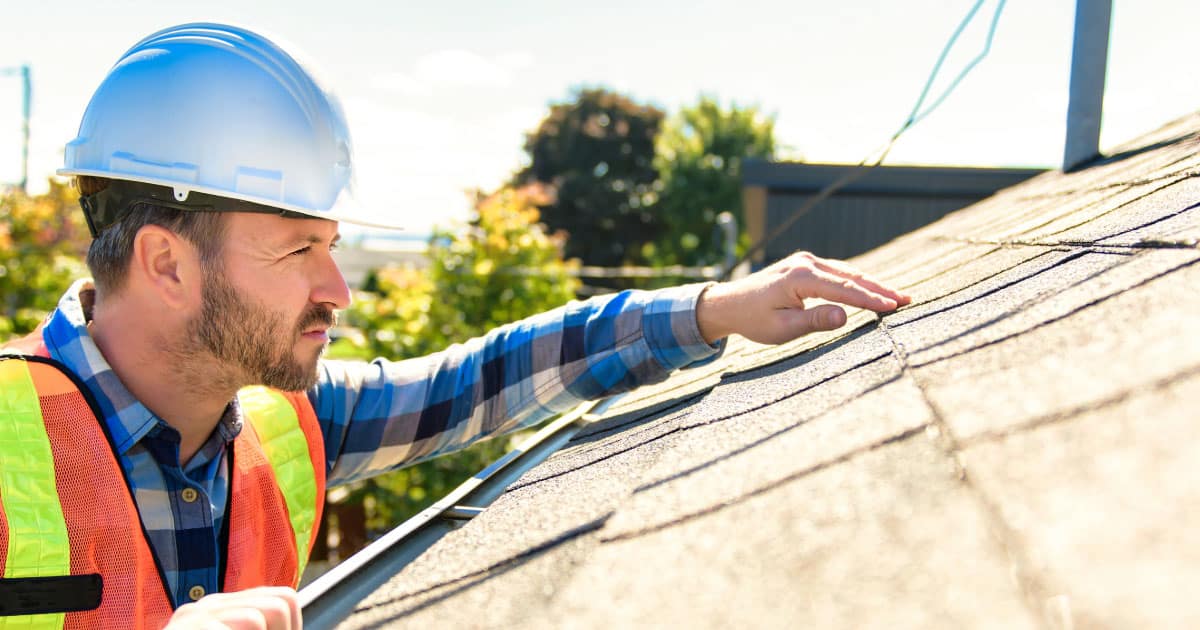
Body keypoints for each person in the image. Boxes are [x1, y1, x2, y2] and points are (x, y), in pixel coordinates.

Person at [0, 23, 910, 630]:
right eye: (296, 250)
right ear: (166, 263)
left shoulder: (284, 427)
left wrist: (711, 310)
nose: (337, 289)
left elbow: (479, 382)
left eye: (334, 246)